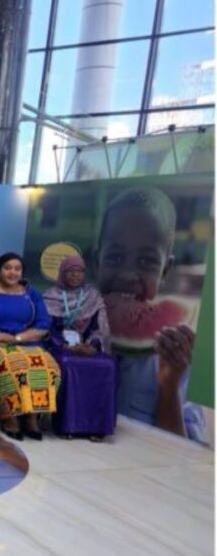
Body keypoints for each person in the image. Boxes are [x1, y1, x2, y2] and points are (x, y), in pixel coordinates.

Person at [93, 187, 201, 441]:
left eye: (146, 262)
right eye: (116, 257)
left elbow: (178, 455)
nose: (128, 274)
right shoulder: (70, 331)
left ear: (165, 270)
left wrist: (169, 385)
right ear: (97, 262)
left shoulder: (177, 355)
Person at [0, 253, 61, 440]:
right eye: (7, 268)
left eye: (17, 268)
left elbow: (43, 326)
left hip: (27, 341)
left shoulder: (32, 294)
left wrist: (16, 338)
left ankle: (30, 415)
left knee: (49, 367)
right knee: (16, 366)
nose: (12, 272)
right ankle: (9, 415)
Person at [43, 255, 116, 441]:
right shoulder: (50, 296)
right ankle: (68, 425)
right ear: (62, 274)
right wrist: (66, 345)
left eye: (80, 272)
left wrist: (92, 345)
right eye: (71, 272)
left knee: (107, 365)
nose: (75, 276)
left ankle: (98, 427)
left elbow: (101, 327)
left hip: (88, 345)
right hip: (60, 345)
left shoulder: (93, 296)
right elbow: (47, 329)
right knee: (67, 364)